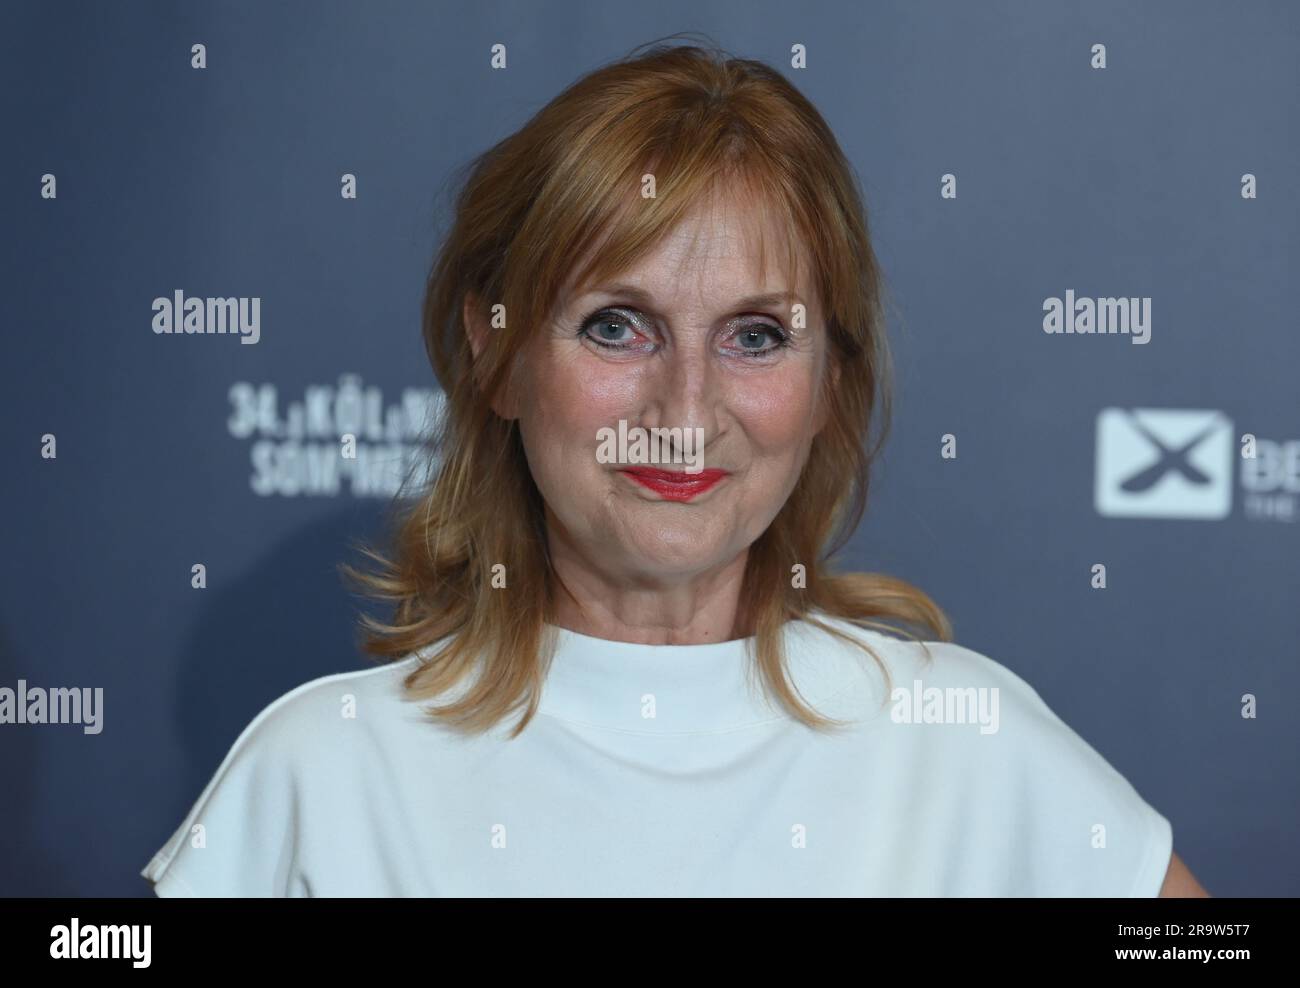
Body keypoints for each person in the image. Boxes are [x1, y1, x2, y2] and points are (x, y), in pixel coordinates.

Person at [141, 39, 1208, 897]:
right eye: (618, 326)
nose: (684, 410)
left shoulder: (967, 746)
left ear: (831, 377)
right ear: (497, 354)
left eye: (754, 336)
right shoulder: (321, 773)